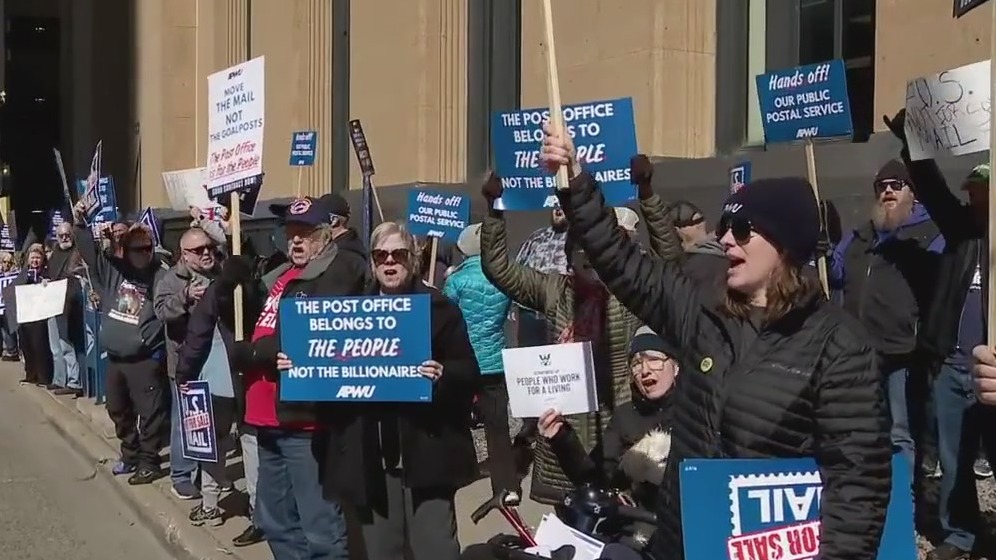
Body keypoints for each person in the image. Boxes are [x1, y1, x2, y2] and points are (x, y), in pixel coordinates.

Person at [538, 122, 891, 560]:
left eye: (742, 229)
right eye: (724, 225)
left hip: (768, 547)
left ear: (783, 243)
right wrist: (575, 180)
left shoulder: (838, 344)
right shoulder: (703, 309)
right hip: (683, 541)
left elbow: (858, 482)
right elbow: (623, 262)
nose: (725, 238)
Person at [480, 173, 646, 507]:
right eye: (581, 256)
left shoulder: (627, 292)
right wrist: (494, 210)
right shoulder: (554, 290)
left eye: (595, 255)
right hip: (566, 430)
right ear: (569, 261)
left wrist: (649, 194)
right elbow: (498, 268)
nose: (589, 263)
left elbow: (671, 262)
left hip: (616, 425)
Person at [317, 221, 479, 560]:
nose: (389, 262)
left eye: (398, 254)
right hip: (373, 459)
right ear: (373, 263)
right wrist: (300, 366)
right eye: (380, 255)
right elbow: (327, 373)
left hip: (427, 454)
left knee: (435, 550)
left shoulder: (439, 308)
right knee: (381, 551)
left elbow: (468, 373)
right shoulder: (350, 314)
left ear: (414, 258)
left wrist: (442, 375)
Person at [227, 196, 367, 560]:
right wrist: (230, 285)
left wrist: (254, 353)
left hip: (303, 422)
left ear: (325, 235)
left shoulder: (337, 271)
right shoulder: (281, 276)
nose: (296, 241)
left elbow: (312, 335)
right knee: (275, 522)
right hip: (266, 418)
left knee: (320, 528)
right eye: (291, 233)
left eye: (305, 233)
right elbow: (248, 326)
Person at [884, 109, 993, 560]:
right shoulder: (963, 233)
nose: (974, 196)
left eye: (982, 189)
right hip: (954, 365)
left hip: (994, 374)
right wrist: (913, 141)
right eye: (971, 189)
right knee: (954, 459)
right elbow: (931, 188)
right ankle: (960, 534)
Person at [827, 158, 943, 467]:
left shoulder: (929, 233)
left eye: (896, 185)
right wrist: (824, 250)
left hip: (901, 350)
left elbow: (942, 283)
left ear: (913, 193)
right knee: (863, 428)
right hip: (860, 350)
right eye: (882, 187)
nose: (887, 192)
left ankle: (904, 503)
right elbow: (836, 274)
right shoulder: (861, 234)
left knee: (899, 432)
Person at [73, 200, 169, 486]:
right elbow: (89, 252)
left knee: (150, 414)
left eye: (144, 247)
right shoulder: (115, 271)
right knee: (117, 409)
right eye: (133, 247)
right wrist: (80, 223)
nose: (139, 253)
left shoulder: (160, 274)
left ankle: (149, 462)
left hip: (144, 359)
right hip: (116, 358)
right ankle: (130, 454)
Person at [538, 326, 676, 508]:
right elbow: (594, 478)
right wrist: (561, 437)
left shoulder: (697, 411)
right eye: (636, 363)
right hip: (637, 522)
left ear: (676, 367)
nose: (645, 370)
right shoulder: (624, 416)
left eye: (654, 360)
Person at [443, 223, 516, 503]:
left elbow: (447, 317)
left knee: (457, 421)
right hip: (495, 360)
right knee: (498, 428)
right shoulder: (503, 278)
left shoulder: (456, 281)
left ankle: (463, 473)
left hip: (464, 360)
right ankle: (506, 486)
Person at [174, 257, 244, 528]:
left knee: (211, 447)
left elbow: (196, 338)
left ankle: (210, 505)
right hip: (246, 381)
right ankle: (257, 511)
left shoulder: (215, 294)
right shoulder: (256, 290)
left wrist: (184, 375)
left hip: (217, 382)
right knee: (248, 446)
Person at [154, 227, 221, 500]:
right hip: (184, 362)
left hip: (215, 359)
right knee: (186, 421)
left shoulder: (218, 273)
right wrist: (185, 298)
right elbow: (160, 311)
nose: (206, 253)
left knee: (212, 421)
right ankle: (181, 475)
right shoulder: (171, 279)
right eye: (198, 250)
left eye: (209, 247)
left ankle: (211, 475)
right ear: (184, 254)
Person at [14, 244, 53, 386]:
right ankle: (30, 374)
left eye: (38, 257)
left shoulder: (46, 273)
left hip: (39, 315)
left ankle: (43, 377)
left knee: (39, 345)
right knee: (27, 345)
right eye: (33, 258)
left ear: (43, 259)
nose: (35, 261)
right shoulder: (24, 272)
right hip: (25, 315)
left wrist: (45, 283)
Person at [0, 252, 19, 360]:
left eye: (9, 262)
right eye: (4, 262)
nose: (6, 265)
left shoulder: (15, 274)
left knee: (7, 328)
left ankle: (12, 351)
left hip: (8, 307)